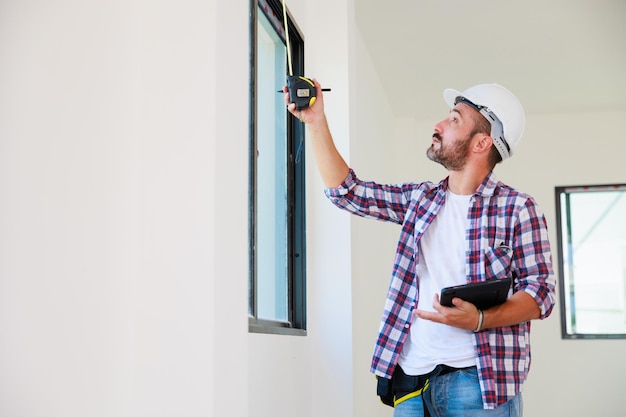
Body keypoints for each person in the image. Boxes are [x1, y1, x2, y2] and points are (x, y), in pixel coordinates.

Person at [284, 80, 556, 416]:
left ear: (482, 142)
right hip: (412, 381)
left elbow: (541, 293)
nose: (439, 125)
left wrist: (481, 319)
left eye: (454, 120)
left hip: (478, 384)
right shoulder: (420, 199)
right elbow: (347, 192)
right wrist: (316, 121)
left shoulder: (517, 208)